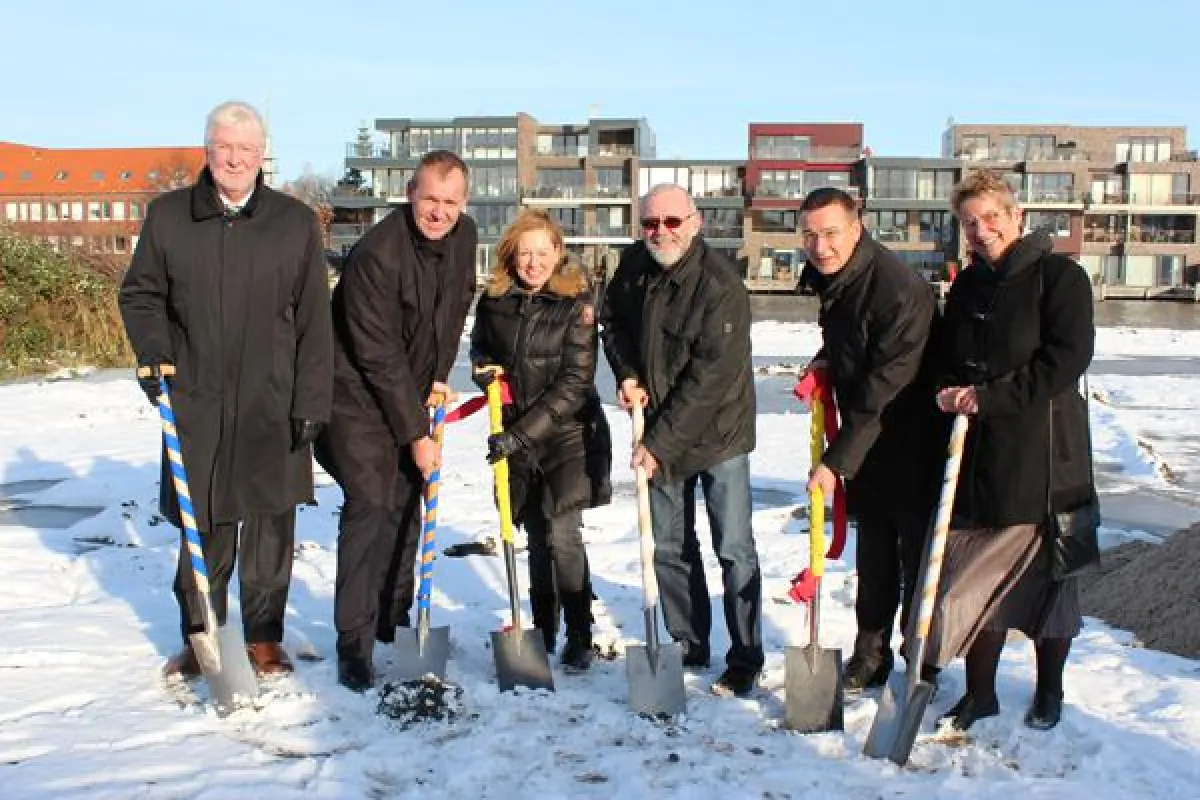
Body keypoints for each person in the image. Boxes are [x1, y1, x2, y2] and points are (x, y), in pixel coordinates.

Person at [119, 100, 334, 679]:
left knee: (269, 532)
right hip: (197, 399)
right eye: (224, 147)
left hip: (273, 399)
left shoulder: (293, 222)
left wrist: (313, 400)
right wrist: (154, 352)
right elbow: (141, 295)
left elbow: (316, 317)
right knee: (202, 529)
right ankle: (202, 637)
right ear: (208, 151)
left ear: (262, 154)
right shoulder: (170, 217)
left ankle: (264, 639)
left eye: (246, 149)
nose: (235, 158)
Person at [928, 169, 1094, 731]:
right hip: (977, 457)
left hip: (1044, 457)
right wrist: (950, 389)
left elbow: (1066, 360)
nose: (982, 230)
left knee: (1049, 583)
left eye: (991, 217)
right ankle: (980, 694)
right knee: (974, 578)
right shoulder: (969, 285)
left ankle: (1050, 691)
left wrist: (989, 397)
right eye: (970, 223)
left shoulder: (1060, 277)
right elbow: (950, 354)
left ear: (1016, 216)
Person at [314, 150, 478, 691]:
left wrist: (437, 374)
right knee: (371, 501)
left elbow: (454, 309)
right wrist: (414, 433)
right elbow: (376, 355)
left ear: (464, 203)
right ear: (411, 192)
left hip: (411, 388)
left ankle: (393, 619)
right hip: (354, 392)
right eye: (430, 198)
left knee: (410, 500)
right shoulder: (375, 256)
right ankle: (354, 644)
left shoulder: (463, 237)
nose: (439, 212)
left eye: (450, 202)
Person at [598, 183, 763, 697]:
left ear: (695, 223)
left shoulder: (720, 286)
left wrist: (658, 444)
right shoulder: (633, 267)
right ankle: (689, 640)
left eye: (672, 221)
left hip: (718, 432)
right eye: (651, 223)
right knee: (669, 544)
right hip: (660, 426)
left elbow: (710, 380)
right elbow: (612, 325)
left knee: (733, 546)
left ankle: (746, 655)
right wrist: (626, 374)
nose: (661, 232)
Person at [795, 187, 942, 692]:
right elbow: (853, 339)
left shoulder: (898, 290)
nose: (821, 246)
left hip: (911, 438)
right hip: (871, 443)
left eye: (831, 233)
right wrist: (826, 360)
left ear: (857, 227)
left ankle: (920, 659)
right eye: (811, 235)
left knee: (914, 559)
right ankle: (870, 655)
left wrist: (835, 464)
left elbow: (885, 386)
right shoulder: (838, 278)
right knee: (873, 557)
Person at [469, 210, 612, 671]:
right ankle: (543, 627)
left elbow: (574, 383)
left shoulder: (577, 306)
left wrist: (518, 435)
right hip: (514, 435)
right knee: (533, 533)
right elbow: (481, 348)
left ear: (557, 254)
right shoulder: (493, 301)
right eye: (524, 253)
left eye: (542, 253)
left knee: (563, 534)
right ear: (511, 255)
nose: (533, 263)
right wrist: (482, 370)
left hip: (569, 434)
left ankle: (579, 631)